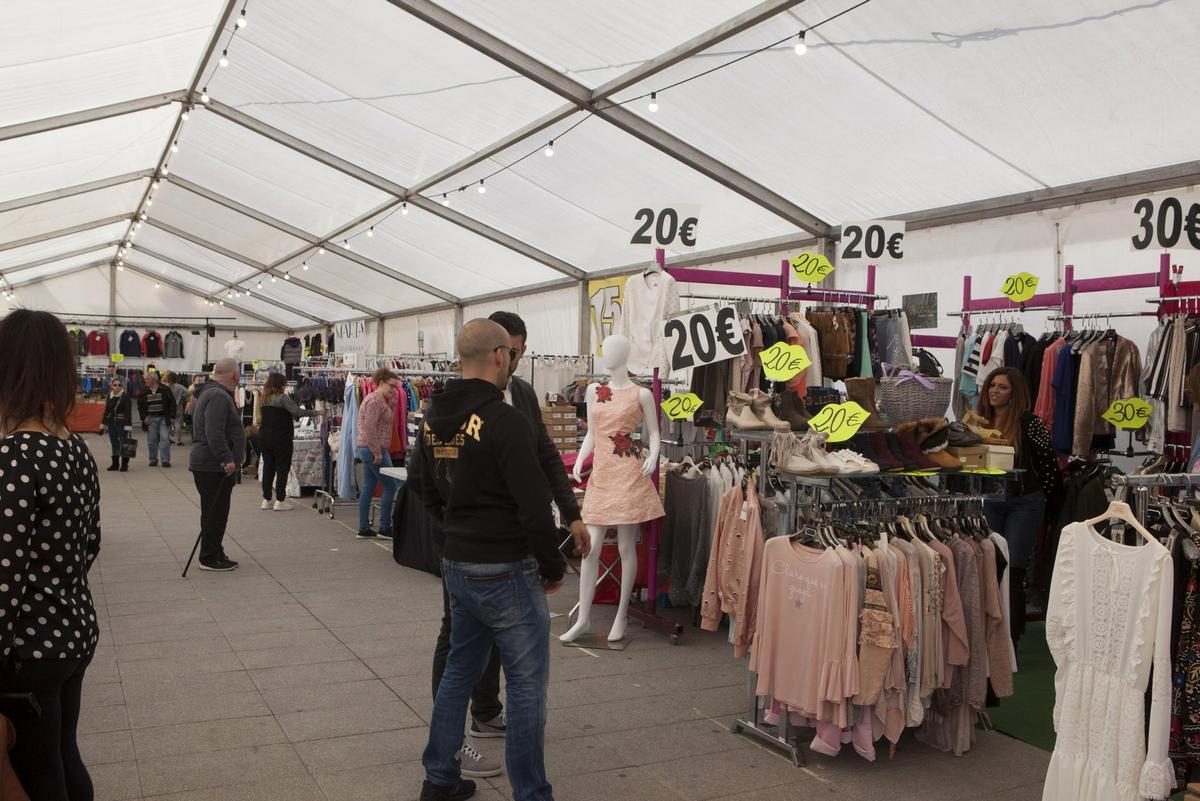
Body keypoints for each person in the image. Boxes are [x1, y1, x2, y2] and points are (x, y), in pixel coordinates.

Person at [422, 311, 591, 780]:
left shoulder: (434, 415)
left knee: (460, 667)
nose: (515, 359)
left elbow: (425, 489)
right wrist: (552, 564)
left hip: (461, 559)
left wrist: (452, 530)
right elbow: (532, 505)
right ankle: (531, 791)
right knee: (526, 683)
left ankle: (439, 775)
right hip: (503, 564)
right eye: (513, 352)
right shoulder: (502, 417)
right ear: (501, 355)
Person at [0, 309, 101, 801]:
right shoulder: (73, 447)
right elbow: (91, 543)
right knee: (62, 755)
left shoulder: (14, 456)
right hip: (72, 630)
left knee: (37, 772)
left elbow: (4, 576)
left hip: (26, 649)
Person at [977, 367, 1063, 639]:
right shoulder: (980, 422)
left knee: (1013, 569)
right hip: (990, 500)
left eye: (1002, 387)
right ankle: (993, 636)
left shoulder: (1029, 423)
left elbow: (1049, 466)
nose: (994, 390)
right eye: (992, 385)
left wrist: (1041, 501)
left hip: (1024, 502)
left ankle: (1011, 638)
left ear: (1015, 392)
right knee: (992, 565)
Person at [189, 358, 246, 572]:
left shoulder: (213, 393)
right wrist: (227, 458)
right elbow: (214, 432)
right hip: (213, 465)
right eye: (238, 373)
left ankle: (214, 550)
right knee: (215, 511)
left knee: (216, 511)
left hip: (210, 463)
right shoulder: (218, 395)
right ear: (234, 375)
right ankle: (209, 557)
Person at [256, 372, 321, 511]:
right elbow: (297, 412)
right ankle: (280, 500)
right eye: (284, 383)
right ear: (281, 384)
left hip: (264, 436)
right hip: (280, 437)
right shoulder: (282, 398)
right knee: (282, 468)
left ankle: (266, 499)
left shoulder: (263, 398)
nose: (286, 386)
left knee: (268, 467)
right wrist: (317, 413)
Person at [355, 368, 402, 540]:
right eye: (392, 386)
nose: (394, 390)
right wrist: (377, 452)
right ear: (381, 383)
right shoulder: (375, 401)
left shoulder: (377, 399)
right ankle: (384, 527)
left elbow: (378, 422)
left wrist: (392, 404)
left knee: (369, 487)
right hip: (373, 448)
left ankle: (363, 528)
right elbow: (370, 428)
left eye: (396, 387)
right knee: (391, 486)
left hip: (368, 447)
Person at [138, 369, 177, 467]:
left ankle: (165, 460)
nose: (145, 381)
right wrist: (144, 417)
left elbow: (172, 403)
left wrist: (172, 416)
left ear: (154, 380)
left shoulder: (164, 389)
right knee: (152, 440)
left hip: (163, 417)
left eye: (147, 379)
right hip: (151, 418)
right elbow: (140, 406)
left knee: (164, 438)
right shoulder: (144, 391)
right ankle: (153, 459)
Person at [100, 376, 133, 471]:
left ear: (122, 387)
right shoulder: (109, 397)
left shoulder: (125, 397)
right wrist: (103, 424)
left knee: (123, 443)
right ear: (111, 386)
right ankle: (115, 464)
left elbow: (128, 412)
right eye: (115, 385)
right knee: (114, 443)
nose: (117, 387)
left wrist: (128, 425)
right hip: (111, 424)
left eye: (119, 385)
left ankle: (124, 464)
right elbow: (107, 411)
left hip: (122, 424)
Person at [163, 371, 189, 445]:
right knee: (178, 424)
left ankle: (166, 439)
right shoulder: (180, 387)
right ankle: (178, 440)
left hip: (168, 408)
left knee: (167, 424)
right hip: (178, 407)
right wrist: (182, 399)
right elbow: (188, 394)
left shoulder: (165, 387)